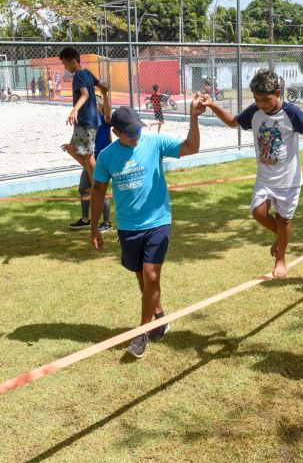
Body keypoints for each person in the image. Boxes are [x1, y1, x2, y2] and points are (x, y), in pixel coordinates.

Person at [89, 98, 206, 358]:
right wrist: (95, 227)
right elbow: (98, 192)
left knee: (152, 276)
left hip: (158, 222)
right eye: (130, 132)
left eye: (138, 130)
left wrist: (194, 118)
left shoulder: (154, 142)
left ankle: (142, 333)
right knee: (143, 278)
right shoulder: (107, 156)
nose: (136, 135)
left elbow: (191, 147)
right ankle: (160, 318)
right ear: (116, 132)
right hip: (129, 228)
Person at [202, 68, 303, 279]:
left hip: (289, 180)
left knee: (284, 220)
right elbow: (232, 122)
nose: (262, 104)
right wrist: (211, 104)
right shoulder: (254, 112)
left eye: (266, 99)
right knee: (258, 212)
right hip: (265, 179)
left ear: (278, 92)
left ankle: (281, 259)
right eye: (257, 100)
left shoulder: (291, 113)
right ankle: (282, 237)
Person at [58, 46, 109, 188]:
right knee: (72, 149)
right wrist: (105, 90)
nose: (65, 68)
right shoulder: (87, 73)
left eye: (65, 64)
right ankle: (96, 176)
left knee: (88, 156)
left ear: (73, 62)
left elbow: (85, 94)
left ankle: (97, 186)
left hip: (86, 121)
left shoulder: (79, 75)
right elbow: (102, 87)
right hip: (88, 121)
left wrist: (74, 110)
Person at [66, 89, 113, 232]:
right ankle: (86, 220)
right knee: (83, 189)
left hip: (101, 162)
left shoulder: (104, 120)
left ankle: (106, 223)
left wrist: (104, 94)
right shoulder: (86, 123)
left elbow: (108, 112)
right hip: (90, 161)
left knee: (100, 190)